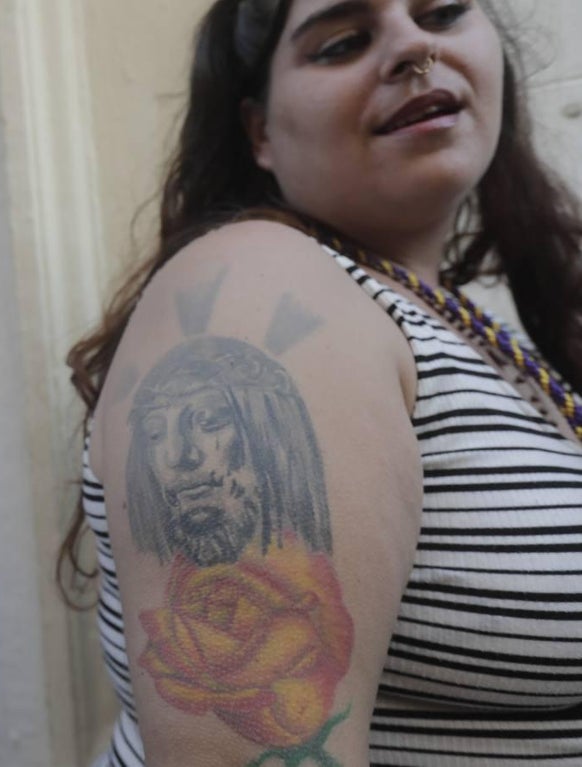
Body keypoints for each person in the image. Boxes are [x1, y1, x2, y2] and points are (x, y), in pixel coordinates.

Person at [64, 0, 582, 764]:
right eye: (342, 42)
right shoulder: (259, 287)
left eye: (442, 12)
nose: (413, 46)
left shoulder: (457, 321)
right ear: (260, 132)